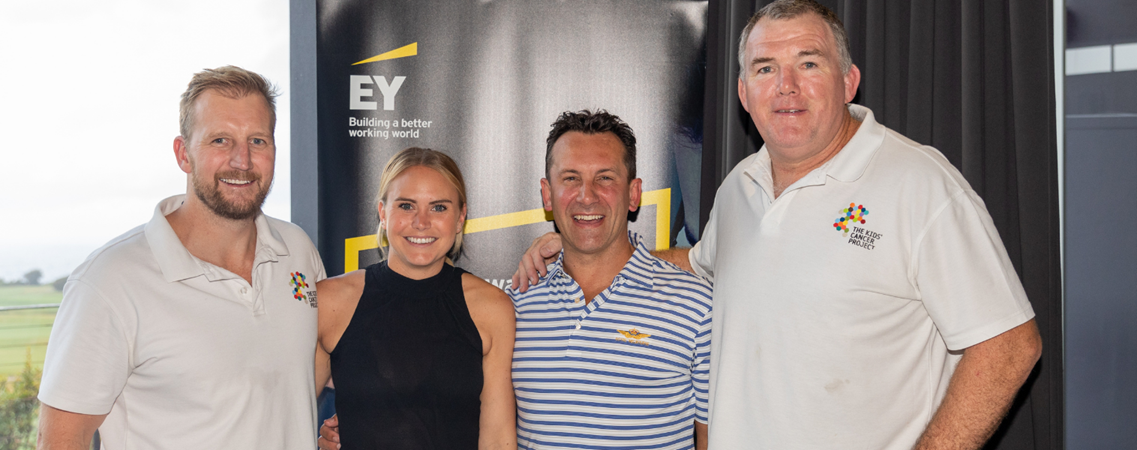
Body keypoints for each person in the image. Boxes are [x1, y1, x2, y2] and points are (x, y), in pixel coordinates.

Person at [513, 1, 1043, 449]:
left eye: (808, 63)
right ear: (744, 94)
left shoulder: (920, 184)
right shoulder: (741, 185)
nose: (785, 86)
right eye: (765, 68)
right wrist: (582, 242)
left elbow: (1010, 346)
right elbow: (696, 264)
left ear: (849, 81)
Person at [37, 66, 326, 449]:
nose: (242, 161)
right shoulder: (111, 280)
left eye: (258, 141)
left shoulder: (297, 250)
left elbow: (300, 379)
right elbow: (60, 438)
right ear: (183, 153)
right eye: (220, 140)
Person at [510, 111, 712, 449]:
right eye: (570, 178)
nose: (586, 196)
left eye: (605, 178)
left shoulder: (696, 306)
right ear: (547, 194)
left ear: (634, 194)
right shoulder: (515, 304)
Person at [313, 147, 517, 449]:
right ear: (383, 212)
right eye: (406, 206)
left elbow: (498, 439)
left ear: (460, 217)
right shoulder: (331, 301)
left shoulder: (491, 308)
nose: (421, 222)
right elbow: (285, 416)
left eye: (438, 208)